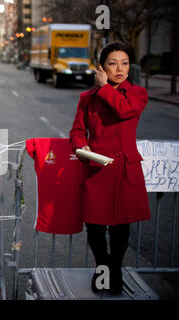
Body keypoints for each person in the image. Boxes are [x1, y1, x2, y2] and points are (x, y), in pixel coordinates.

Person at [69, 42, 150, 295]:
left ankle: (114, 270)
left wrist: (104, 87)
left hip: (125, 170)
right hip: (97, 169)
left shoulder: (137, 93)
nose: (120, 68)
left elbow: (125, 111)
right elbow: (77, 130)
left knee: (121, 228)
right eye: (113, 63)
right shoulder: (87, 99)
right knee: (94, 227)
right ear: (101, 67)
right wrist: (81, 147)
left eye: (125, 63)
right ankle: (102, 267)